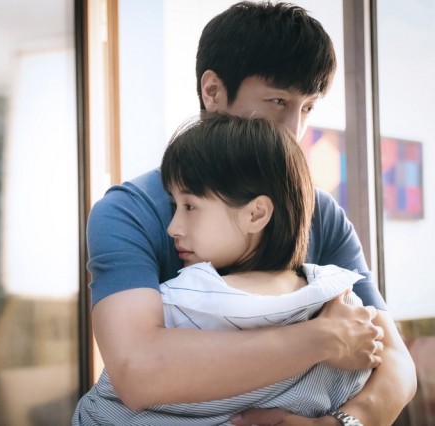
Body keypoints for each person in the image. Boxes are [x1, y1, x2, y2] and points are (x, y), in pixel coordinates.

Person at [84, 2, 416, 425]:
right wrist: (322, 338)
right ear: (212, 92)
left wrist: (341, 423)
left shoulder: (322, 214)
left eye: (308, 108)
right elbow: (139, 371)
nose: (295, 130)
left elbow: (396, 363)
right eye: (277, 101)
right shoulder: (129, 212)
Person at [73, 114, 372, 425]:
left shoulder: (185, 297)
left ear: (256, 214)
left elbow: (122, 388)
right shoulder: (342, 302)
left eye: (189, 207)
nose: (173, 228)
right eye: (175, 206)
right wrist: (321, 341)